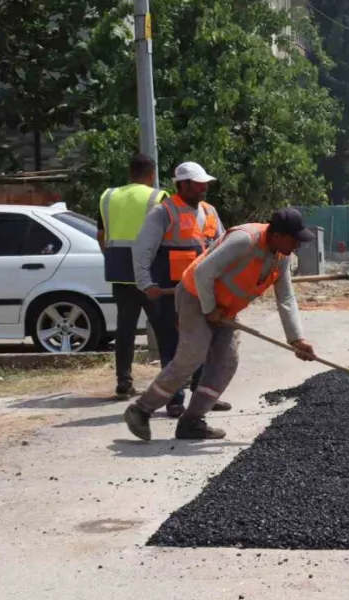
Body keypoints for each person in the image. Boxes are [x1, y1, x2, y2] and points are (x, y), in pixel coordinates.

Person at [123, 208, 317, 441]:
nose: (298, 245)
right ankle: (141, 410)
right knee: (192, 357)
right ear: (277, 235)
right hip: (196, 296)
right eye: (295, 240)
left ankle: (192, 421)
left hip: (225, 308)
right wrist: (209, 309)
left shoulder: (281, 257)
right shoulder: (244, 240)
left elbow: (285, 297)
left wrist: (296, 339)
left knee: (226, 362)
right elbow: (203, 272)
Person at [132, 161, 231, 417]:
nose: (203, 189)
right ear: (183, 185)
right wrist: (146, 284)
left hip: (203, 290)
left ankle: (202, 397)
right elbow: (142, 250)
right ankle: (174, 399)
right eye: (198, 184)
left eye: (205, 184)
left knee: (204, 343)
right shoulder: (163, 212)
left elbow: (222, 246)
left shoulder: (210, 211)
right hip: (171, 292)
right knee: (174, 345)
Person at [96, 154, 168, 399]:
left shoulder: (108, 196)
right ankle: (171, 378)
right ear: (152, 175)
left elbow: (101, 235)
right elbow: (166, 238)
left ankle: (123, 382)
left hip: (120, 272)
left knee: (125, 329)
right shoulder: (157, 197)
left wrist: (114, 258)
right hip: (150, 273)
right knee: (163, 327)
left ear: (130, 173)